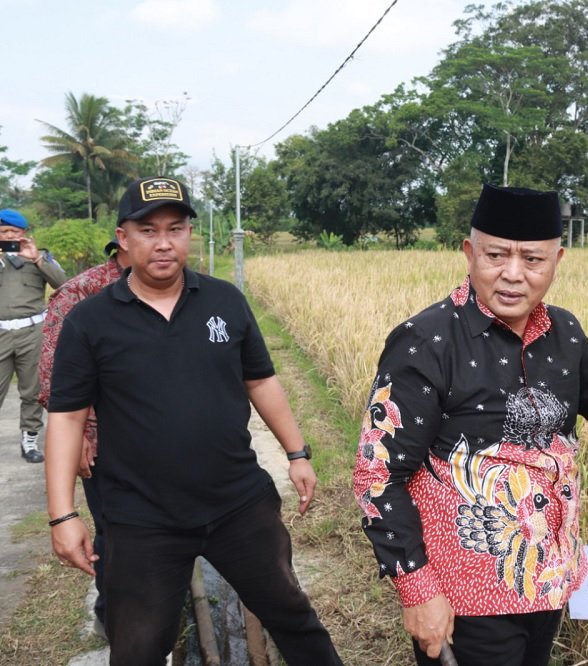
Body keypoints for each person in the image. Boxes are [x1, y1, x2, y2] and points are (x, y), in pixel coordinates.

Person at [353, 183, 588, 665]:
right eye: (496, 255)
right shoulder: (426, 342)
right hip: (465, 597)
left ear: (557, 260)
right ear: (469, 254)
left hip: (548, 580)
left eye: (533, 260)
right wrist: (416, 588)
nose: (513, 275)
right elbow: (378, 474)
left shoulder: (566, 333)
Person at [44, 177, 343, 666]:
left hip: (238, 505)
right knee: (138, 647)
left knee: (292, 614)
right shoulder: (90, 321)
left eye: (176, 228)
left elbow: (261, 381)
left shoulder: (225, 301)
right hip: (142, 519)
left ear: (190, 233)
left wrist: (296, 453)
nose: (163, 243)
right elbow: (66, 417)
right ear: (123, 238)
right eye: (147, 230)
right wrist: (63, 514)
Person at [37, 237, 130, 640]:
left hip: (151, 433)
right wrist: (84, 434)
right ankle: (115, 616)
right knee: (115, 530)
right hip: (102, 437)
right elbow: (51, 379)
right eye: (146, 234)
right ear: (122, 243)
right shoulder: (80, 292)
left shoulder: (171, 289)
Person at [0, 208, 66, 463]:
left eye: (13, 232)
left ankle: (30, 441)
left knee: (32, 390)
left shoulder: (41, 257)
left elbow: (64, 283)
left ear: (24, 233)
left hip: (32, 333)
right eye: (3, 232)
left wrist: (37, 258)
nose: (8, 236)